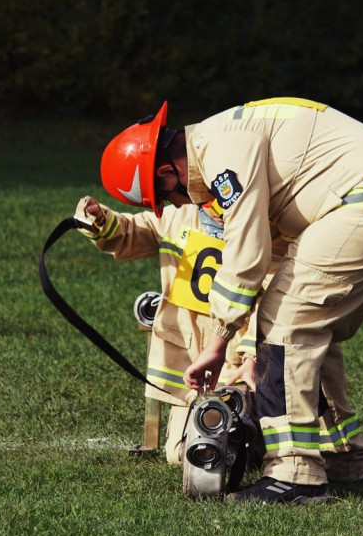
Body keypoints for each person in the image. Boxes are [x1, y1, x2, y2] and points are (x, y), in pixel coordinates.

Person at [98, 98, 363, 504]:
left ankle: (295, 476)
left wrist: (217, 343)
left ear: (169, 171)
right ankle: (345, 460)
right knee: (307, 323)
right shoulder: (219, 137)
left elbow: (247, 251)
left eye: (166, 197)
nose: (176, 205)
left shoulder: (221, 152)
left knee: (285, 326)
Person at [73, 195, 258, 465]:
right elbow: (129, 231)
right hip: (190, 367)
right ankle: (230, 443)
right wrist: (99, 220)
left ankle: (247, 440)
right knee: (178, 454)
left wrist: (253, 354)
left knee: (238, 420)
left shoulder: (258, 227)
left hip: (237, 359)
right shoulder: (176, 216)